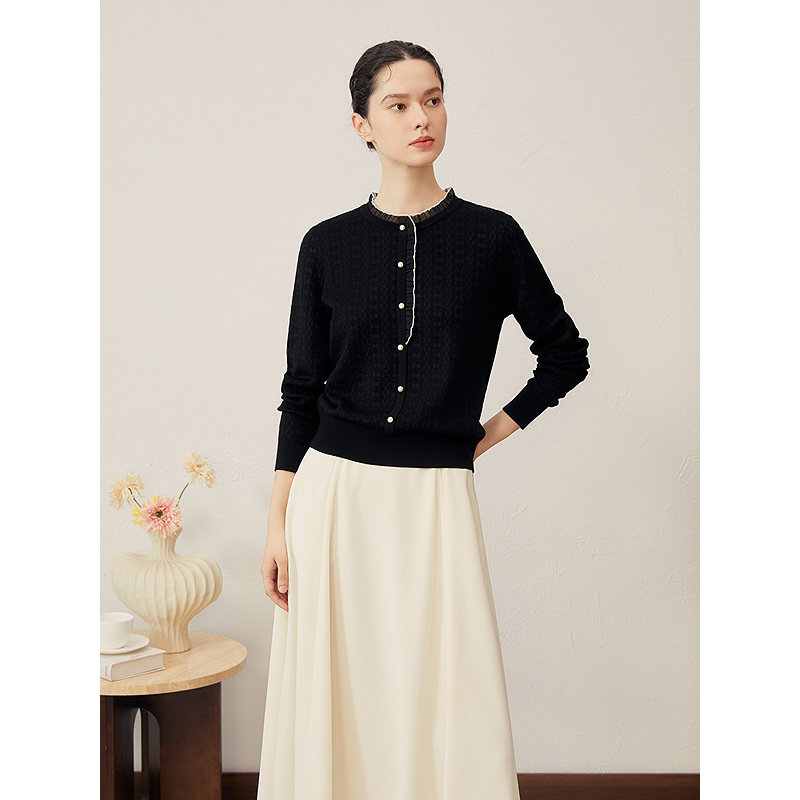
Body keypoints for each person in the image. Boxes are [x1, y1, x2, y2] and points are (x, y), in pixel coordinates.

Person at [256, 40, 590, 800]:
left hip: (436, 497)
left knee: (440, 688)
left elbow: (565, 355)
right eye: (399, 104)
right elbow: (300, 389)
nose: (421, 118)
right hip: (332, 497)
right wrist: (277, 524)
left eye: (433, 99)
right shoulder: (326, 245)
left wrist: (481, 435)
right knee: (340, 689)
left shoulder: (493, 238)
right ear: (362, 125)